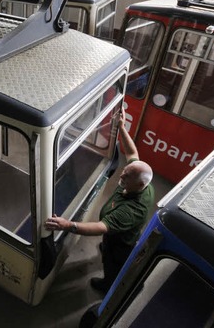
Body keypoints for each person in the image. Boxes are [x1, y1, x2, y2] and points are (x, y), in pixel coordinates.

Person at [44, 108, 155, 293]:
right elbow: (132, 152)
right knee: (107, 245)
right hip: (116, 234)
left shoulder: (131, 211)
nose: (122, 175)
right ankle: (107, 251)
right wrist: (120, 127)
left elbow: (101, 227)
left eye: (127, 177)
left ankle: (108, 284)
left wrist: (68, 225)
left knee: (112, 263)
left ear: (140, 184)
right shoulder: (139, 178)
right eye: (124, 171)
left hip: (121, 243)